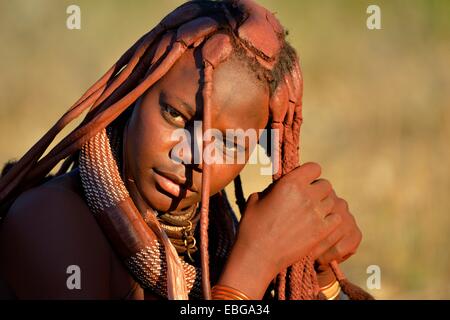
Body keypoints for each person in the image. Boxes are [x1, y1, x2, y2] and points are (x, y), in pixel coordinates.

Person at [0, 0, 372, 300]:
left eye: (227, 143)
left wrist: (317, 275)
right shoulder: (49, 220)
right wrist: (253, 266)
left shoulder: (214, 240)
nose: (193, 156)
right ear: (135, 93)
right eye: (175, 115)